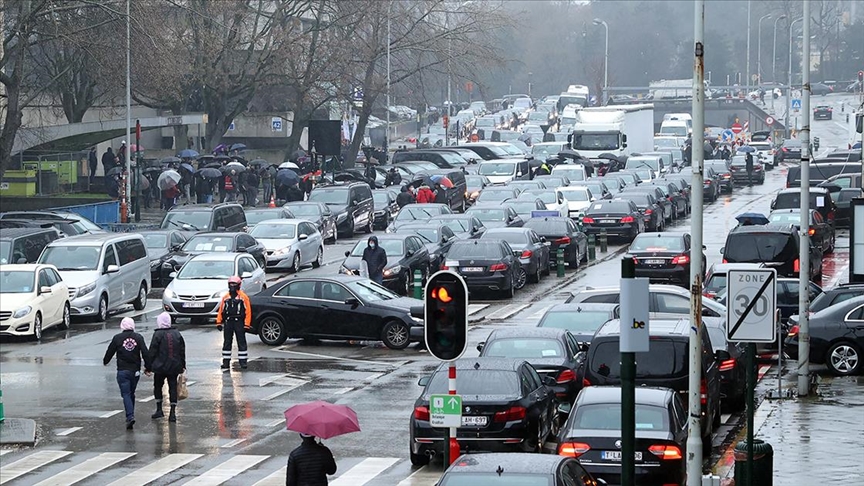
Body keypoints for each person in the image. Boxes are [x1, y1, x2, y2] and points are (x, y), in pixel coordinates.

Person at [103, 317, 151, 430]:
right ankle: (131, 414)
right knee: (131, 393)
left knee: (126, 394)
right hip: (135, 371)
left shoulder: (117, 338)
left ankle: (130, 416)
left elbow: (110, 351)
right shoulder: (138, 337)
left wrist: (106, 361)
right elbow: (145, 352)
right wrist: (148, 367)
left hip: (122, 371)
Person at [147, 312, 186, 422]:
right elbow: (182, 351)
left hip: (160, 367)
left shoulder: (158, 335)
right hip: (174, 366)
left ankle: (159, 409)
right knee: (172, 388)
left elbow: (152, 351)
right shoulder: (177, 334)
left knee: (158, 386)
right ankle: (172, 412)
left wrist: (148, 366)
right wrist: (183, 365)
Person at [216, 276, 252, 370]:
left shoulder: (243, 297)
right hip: (228, 322)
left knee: (241, 342)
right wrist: (219, 322)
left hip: (239, 322)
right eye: (230, 284)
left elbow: (248, 311)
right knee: (227, 342)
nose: (232, 286)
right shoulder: (226, 297)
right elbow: (221, 310)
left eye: (234, 284)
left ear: (239, 285)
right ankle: (226, 362)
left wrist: (246, 324)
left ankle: (243, 362)